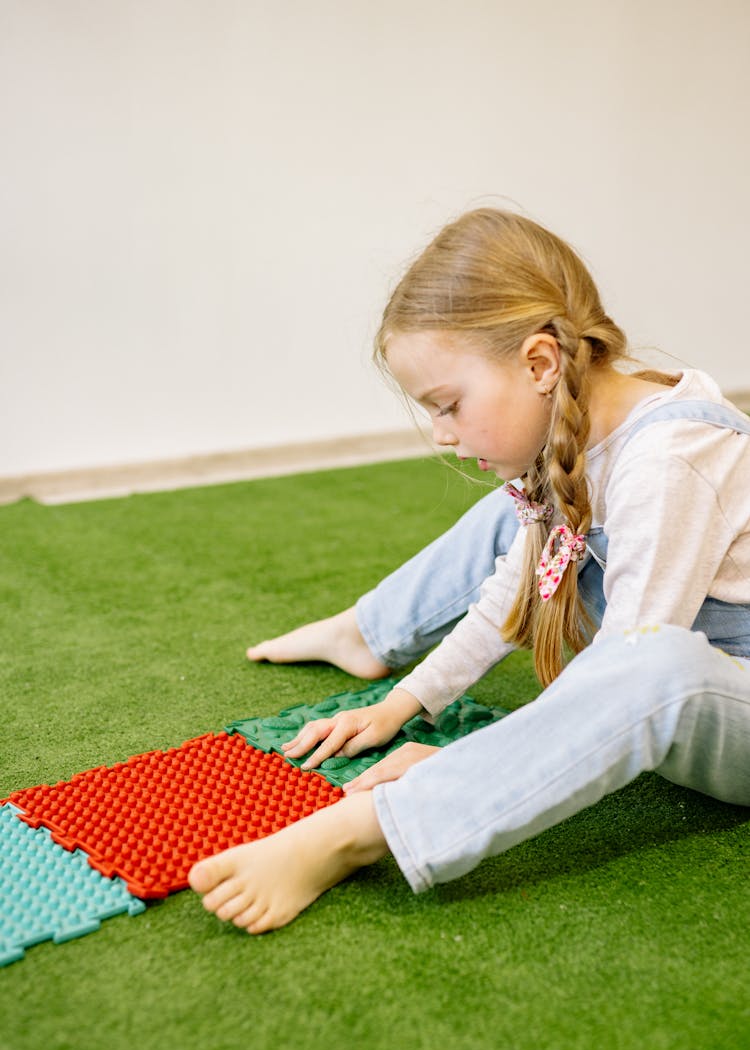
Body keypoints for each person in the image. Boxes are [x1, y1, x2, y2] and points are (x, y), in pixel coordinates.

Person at [189, 208, 750, 934]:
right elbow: (516, 590)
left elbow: (629, 671)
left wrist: (468, 756)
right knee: (514, 517)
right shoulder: (575, 425)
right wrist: (409, 700)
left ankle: (366, 831)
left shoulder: (670, 459)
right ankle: (371, 632)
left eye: (449, 406)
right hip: (669, 653)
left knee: (654, 664)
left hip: (720, 689)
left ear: (540, 363)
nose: (443, 436)